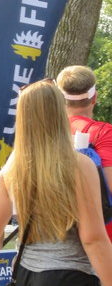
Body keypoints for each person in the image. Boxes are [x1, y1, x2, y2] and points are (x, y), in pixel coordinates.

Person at [0, 80, 112, 286]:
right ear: (60, 113)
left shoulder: (13, 168)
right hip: (71, 275)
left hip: (26, 274)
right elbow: (92, 238)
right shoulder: (79, 165)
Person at [57, 65, 112, 241]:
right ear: (94, 98)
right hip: (101, 236)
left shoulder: (45, 131)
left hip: (54, 233)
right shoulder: (104, 133)